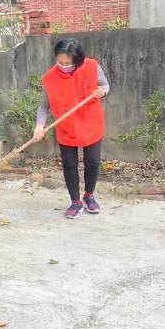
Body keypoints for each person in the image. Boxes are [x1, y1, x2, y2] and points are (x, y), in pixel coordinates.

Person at [32, 39, 109, 219]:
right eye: (60, 62)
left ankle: (89, 196)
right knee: (69, 165)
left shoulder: (91, 67)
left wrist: (102, 91)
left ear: (78, 59)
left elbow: (105, 85)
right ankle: (75, 201)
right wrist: (39, 126)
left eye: (68, 63)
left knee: (93, 161)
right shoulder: (50, 78)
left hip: (91, 123)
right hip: (66, 127)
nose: (64, 66)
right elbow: (44, 107)